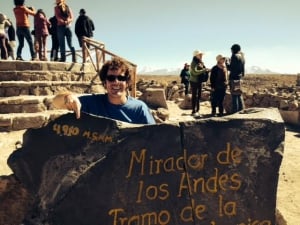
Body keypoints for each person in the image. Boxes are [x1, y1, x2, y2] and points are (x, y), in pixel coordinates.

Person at [52, 57, 156, 125]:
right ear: (105, 83)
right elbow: (56, 103)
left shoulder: (139, 108)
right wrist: (68, 97)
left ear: (127, 82)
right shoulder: (92, 103)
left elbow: (154, 136)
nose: (116, 82)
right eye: (111, 78)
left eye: (121, 78)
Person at [189, 50, 210, 117]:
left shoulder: (200, 62)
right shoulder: (193, 63)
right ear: (196, 55)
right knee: (195, 96)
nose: (201, 56)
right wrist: (204, 70)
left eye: (201, 55)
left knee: (198, 96)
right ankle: (193, 111)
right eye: (200, 54)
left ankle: (197, 110)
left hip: (199, 81)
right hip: (194, 81)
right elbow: (195, 72)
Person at [227, 44, 245, 113]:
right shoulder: (242, 57)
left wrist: (227, 63)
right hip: (239, 78)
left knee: (234, 95)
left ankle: (235, 111)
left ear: (233, 50)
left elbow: (231, 68)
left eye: (231, 50)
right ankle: (241, 109)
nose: (231, 51)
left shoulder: (234, 56)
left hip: (234, 78)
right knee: (239, 94)